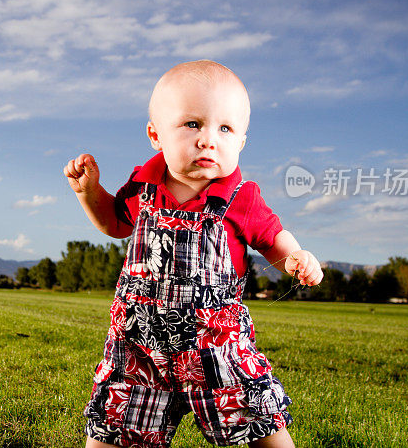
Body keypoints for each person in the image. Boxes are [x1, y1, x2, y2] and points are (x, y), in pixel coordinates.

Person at [64, 60, 323, 448]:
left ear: (240, 143)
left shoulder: (240, 197)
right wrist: (89, 194)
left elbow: (272, 238)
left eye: (225, 128)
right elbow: (115, 224)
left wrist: (295, 257)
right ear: (156, 134)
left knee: (260, 425)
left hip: (217, 349)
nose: (208, 139)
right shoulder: (142, 186)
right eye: (192, 124)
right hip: (139, 349)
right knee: (113, 430)